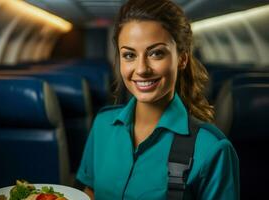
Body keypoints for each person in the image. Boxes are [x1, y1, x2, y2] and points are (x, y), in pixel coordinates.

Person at [76, 0, 240, 199]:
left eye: (156, 53)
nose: (142, 69)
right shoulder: (102, 124)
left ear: (182, 58)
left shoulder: (212, 148)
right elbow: (90, 192)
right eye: (129, 55)